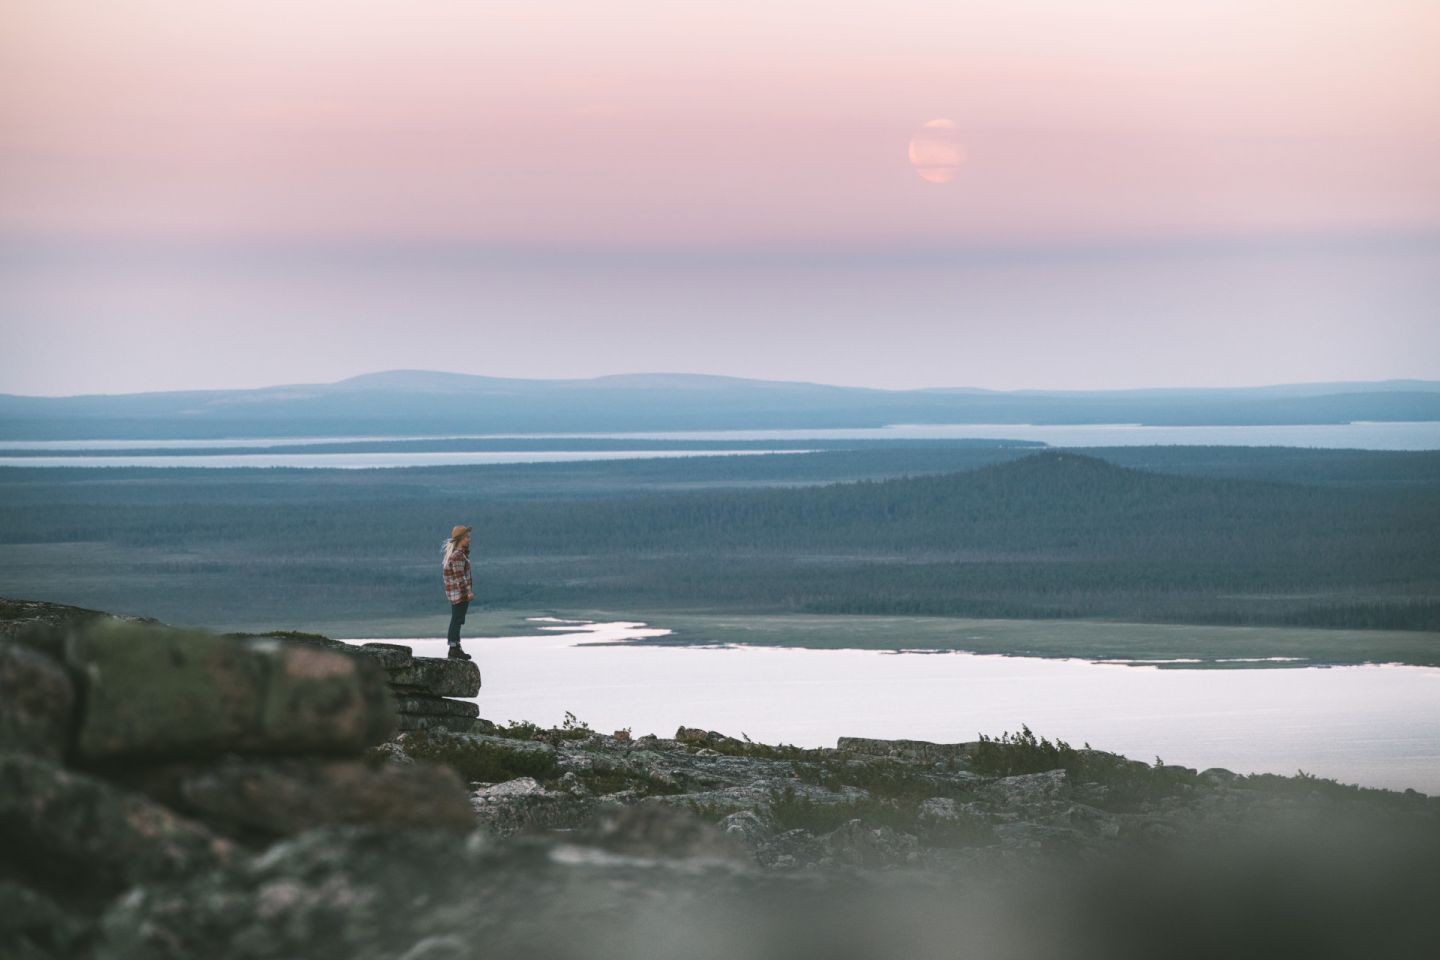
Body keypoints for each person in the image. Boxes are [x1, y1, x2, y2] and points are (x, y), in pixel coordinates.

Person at [442, 524, 475, 660]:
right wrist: (467, 592)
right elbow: (459, 576)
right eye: (467, 537)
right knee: (457, 619)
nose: (469, 539)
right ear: (461, 539)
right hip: (459, 593)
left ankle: (455, 646)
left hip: (456, 592)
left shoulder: (458, 554)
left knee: (457, 619)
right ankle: (454, 647)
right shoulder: (457, 556)